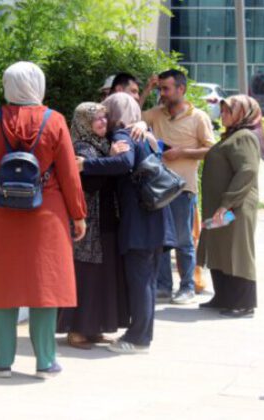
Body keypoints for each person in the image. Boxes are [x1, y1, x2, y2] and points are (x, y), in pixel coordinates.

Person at [0, 61, 87, 379]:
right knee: (45, 286)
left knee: (2, 285)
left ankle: (2, 361)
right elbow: (69, 175)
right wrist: (78, 215)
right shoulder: (55, 121)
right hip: (47, 214)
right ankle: (46, 360)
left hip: (1, 212)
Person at [79, 92, 167, 354]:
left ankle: (138, 339)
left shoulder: (124, 135)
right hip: (155, 218)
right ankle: (142, 335)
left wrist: (85, 164)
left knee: (140, 281)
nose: (105, 118)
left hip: (138, 221)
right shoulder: (147, 136)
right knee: (147, 282)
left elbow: (123, 162)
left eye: (108, 112)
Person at [57, 102, 130, 349]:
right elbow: (91, 182)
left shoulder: (101, 144)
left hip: (106, 222)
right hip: (88, 225)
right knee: (86, 277)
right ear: (83, 123)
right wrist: (110, 158)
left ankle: (95, 327)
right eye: (96, 119)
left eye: (103, 118)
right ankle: (77, 329)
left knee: (103, 277)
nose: (102, 122)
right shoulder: (80, 146)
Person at [143, 69, 216, 305]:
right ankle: (164, 287)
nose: (162, 93)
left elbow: (211, 149)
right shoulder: (156, 114)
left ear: (181, 89)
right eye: (160, 88)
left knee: (183, 239)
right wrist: (146, 90)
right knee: (161, 240)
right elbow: (131, 118)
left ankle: (187, 287)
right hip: (158, 188)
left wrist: (183, 152)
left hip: (183, 190)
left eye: (166, 88)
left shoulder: (199, 117)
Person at [197, 95, 264, 318]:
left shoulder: (244, 137)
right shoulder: (232, 135)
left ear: (242, 114)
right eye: (223, 110)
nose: (222, 114)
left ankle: (244, 303)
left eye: (228, 111)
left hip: (236, 205)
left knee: (238, 252)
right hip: (223, 206)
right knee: (220, 249)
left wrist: (227, 203)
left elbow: (247, 171)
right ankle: (224, 297)